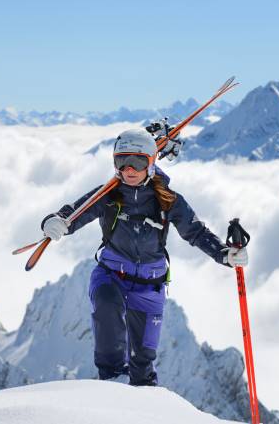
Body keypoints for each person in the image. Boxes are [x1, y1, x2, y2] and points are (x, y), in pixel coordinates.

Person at [40, 128, 248, 386]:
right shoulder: (107, 195)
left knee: (143, 363)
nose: (128, 169)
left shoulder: (167, 200)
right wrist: (56, 221)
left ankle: (144, 405)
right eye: (121, 161)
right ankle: (111, 383)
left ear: (150, 163)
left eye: (137, 162)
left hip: (150, 286)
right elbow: (73, 214)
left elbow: (195, 231)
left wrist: (224, 254)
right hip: (111, 276)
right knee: (107, 308)